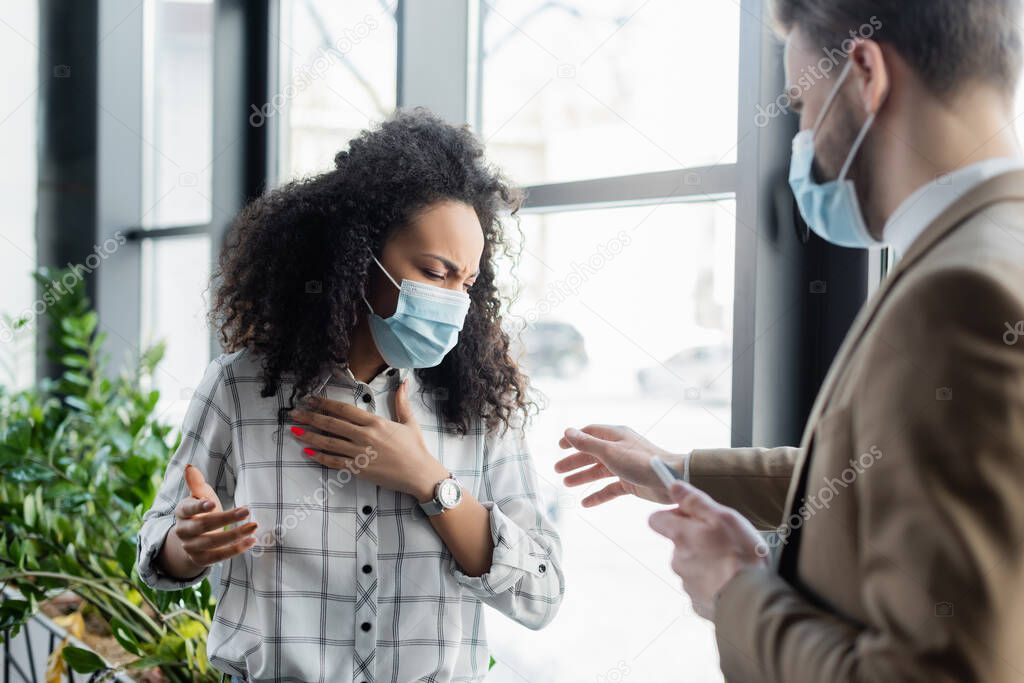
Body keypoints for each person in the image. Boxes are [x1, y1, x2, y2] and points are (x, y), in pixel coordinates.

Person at [556, 1, 1024, 681]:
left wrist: (734, 590)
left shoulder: (959, 298)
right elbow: (878, 469)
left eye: (803, 102)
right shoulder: (991, 253)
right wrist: (675, 469)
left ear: (865, 73)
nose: (804, 134)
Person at [135, 108, 564, 682]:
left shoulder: (477, 403)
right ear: (359, 256)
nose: (454, 301)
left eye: (466, 282)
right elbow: (157, 555)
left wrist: (429, 481)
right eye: (435, 272)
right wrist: (187, 544)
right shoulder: (240, 387)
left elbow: (541, 592)